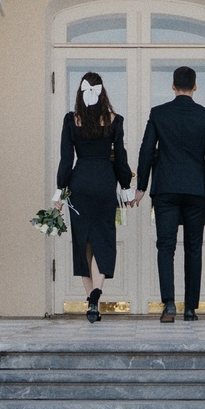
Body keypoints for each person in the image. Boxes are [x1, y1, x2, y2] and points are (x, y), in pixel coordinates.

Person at [131, 64, 205, 323]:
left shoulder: (159, 114)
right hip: (195, 190)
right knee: (193, 248)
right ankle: (191, 309)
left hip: (166, 190)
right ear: (195, 86)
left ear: (173, 86)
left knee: (166, 246)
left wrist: (141, 188)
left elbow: (146, 150)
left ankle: (169, 305)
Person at [54, 72, 130, 323]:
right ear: (103, 93)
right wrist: (127, 189)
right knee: (103, 240)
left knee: (83, 242)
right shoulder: (114, 120)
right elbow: (120, 159)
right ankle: (96, 295)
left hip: (80, 183)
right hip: (105, 183)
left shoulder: (71, 120)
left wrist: (59, 193)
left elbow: (66, 161)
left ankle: (91, 301)